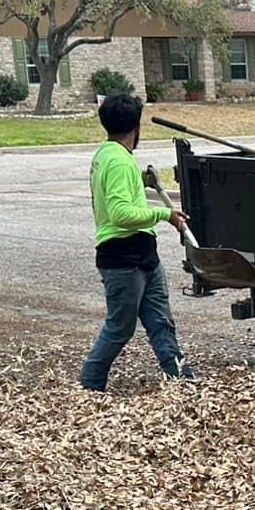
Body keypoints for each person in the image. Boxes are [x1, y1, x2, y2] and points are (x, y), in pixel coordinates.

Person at [79, 91, 193, 391]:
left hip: (143, 255)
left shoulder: (108, 154)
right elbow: (119, 213)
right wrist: (164, 215)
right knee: (119, 328)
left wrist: (142, 180)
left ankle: (181, 381)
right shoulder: (117, 162)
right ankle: (88, 387)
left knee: (160, 322)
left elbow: (119, 193)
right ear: (136, 128)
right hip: (122, 259)